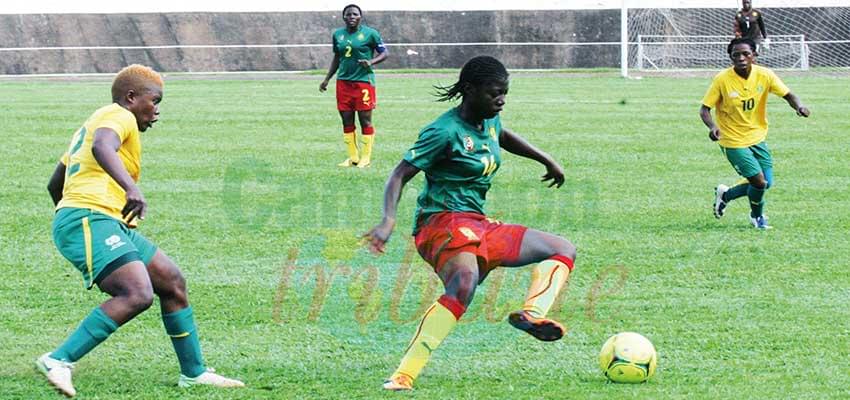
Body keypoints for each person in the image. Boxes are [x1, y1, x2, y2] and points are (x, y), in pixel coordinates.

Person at [363, 56, 577, 391]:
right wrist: (388, 219)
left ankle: (532, 315)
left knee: (562, 249)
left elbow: (502, 135)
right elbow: (399, 174)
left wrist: (545, 158)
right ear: (469, 90)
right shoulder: (443, 131)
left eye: (505, 93)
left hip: (476, 223)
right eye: (495, 93)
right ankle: (404, 374)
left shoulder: (490, 119)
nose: (501, 100)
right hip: (439, 224)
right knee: (464, 283)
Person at [39, 64, 244, 397]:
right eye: (154, 101)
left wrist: (71, 215)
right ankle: (58, 360)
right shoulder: (117, 116)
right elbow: (102, 147)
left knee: (172, 281)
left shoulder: (97, 121)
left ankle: (193, 373)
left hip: (99, 219)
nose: (157, 111)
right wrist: (128, 190)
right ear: (131, 98)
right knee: (137, 293)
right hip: (90, 218)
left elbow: (54, 183)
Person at [700, 38, 810, 229]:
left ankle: (725, 195)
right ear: (731, 57)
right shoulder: (722, 79)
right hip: (732, 139)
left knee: (766, 183)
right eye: (736, 55)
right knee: (759, 182)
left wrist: (799, 106)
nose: (741, 58)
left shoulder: (765, 75)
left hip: (757, 136)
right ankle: (757, 217)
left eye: (745, 54)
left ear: (754, 56)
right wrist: (712, 127)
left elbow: (788, 95)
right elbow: (704, 109)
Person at [319, 3, 388, 168]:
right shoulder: (338, 35)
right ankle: (353, 157)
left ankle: (366, 157)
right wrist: (327, 78)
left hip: (363, 82)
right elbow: (337, 58)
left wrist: (370, 62)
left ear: (360, 17)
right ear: (344, 17)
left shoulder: (371, 34)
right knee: (346, 120)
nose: (351, 17)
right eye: (348, 15)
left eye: (355, 14)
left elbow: (385, 53)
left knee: (365, 120)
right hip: (343, 83)